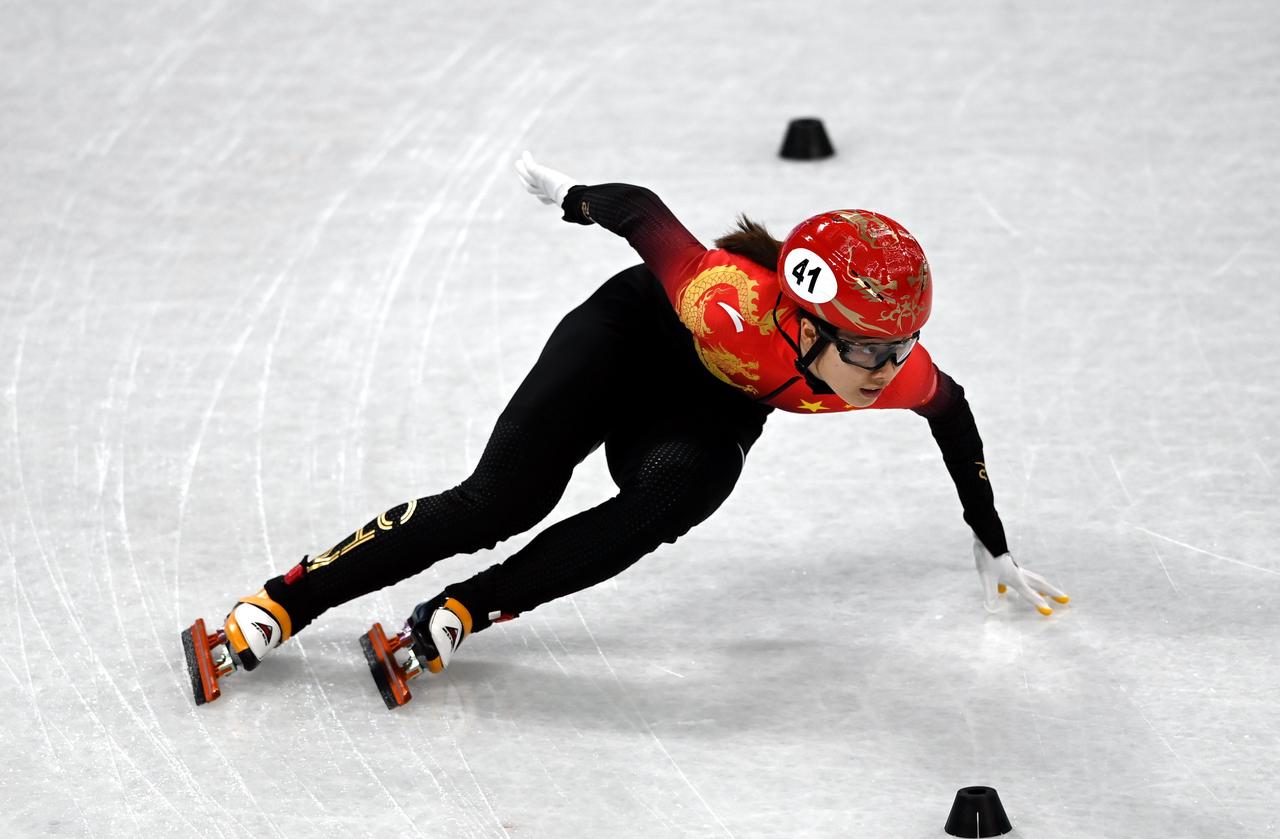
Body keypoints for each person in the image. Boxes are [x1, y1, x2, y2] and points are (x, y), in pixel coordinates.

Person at [181, 152, 1069, 707]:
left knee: (689, 489)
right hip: (628, 341)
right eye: (870, 347)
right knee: (500, 499)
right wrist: (571, 196)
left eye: (901, 344)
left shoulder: (891, 377)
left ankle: (463, 609)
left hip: (702, 412)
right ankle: (284, 600)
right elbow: (644, 213)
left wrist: (988, 538)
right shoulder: (724, 300)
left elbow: (954, 415)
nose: (887, 368)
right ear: (800, 322)